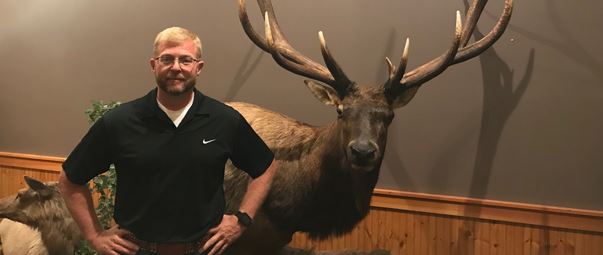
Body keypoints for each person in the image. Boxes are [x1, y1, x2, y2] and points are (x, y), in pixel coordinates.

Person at [58, 27, 277, 255]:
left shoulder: (224, 119)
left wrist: (242, 220)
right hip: (135, 250)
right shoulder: (119, 122)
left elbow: (266, 168)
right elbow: (70, 179)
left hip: (203, 250)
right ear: (153, 65)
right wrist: (94, 236)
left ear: (198, 67)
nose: (176, 67)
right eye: (167, 59)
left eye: (185, 60)